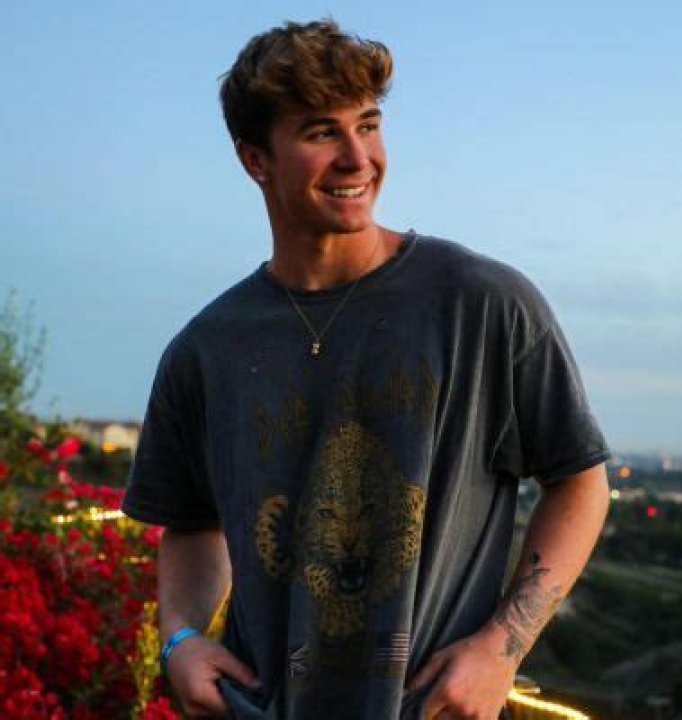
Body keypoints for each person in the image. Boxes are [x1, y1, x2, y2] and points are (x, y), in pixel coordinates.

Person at [122, 19, 611, 720]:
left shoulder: (481, 303)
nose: (358, 158)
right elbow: (193, 523)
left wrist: (501, 648)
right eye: (323, 132)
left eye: (369, 125)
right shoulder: (205, 348)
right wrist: (181, 638)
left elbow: (580, 480)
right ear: (256, 159)